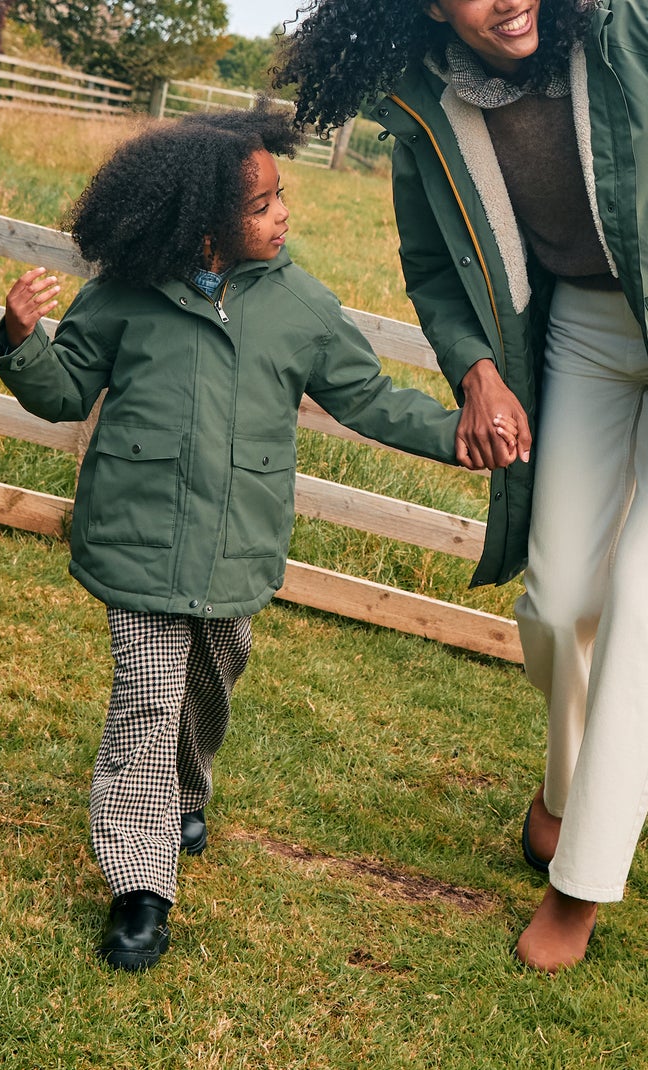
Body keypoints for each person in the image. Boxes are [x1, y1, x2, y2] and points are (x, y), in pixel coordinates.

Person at [0, 102, 511, 971]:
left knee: (211, 679)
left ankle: (184, 792)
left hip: (238, 548)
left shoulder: (300, 304)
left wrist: (456, 433)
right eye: (262, 204)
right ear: (201, 223)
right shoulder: (122, 296)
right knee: (147, 707)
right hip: (139, 541)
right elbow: (64, 391)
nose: (282, 214)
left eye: (280, 197)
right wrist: (19, 338)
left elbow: (370, 397)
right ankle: (141, 885)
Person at [275, 0, 648, 972]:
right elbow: (432, 269)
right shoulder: (424, 108)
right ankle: (566, 787)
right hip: (584, 334)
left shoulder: (620, 29)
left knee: (641, 607)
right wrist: (475, 367)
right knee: (557, 598)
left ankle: (578, 881)